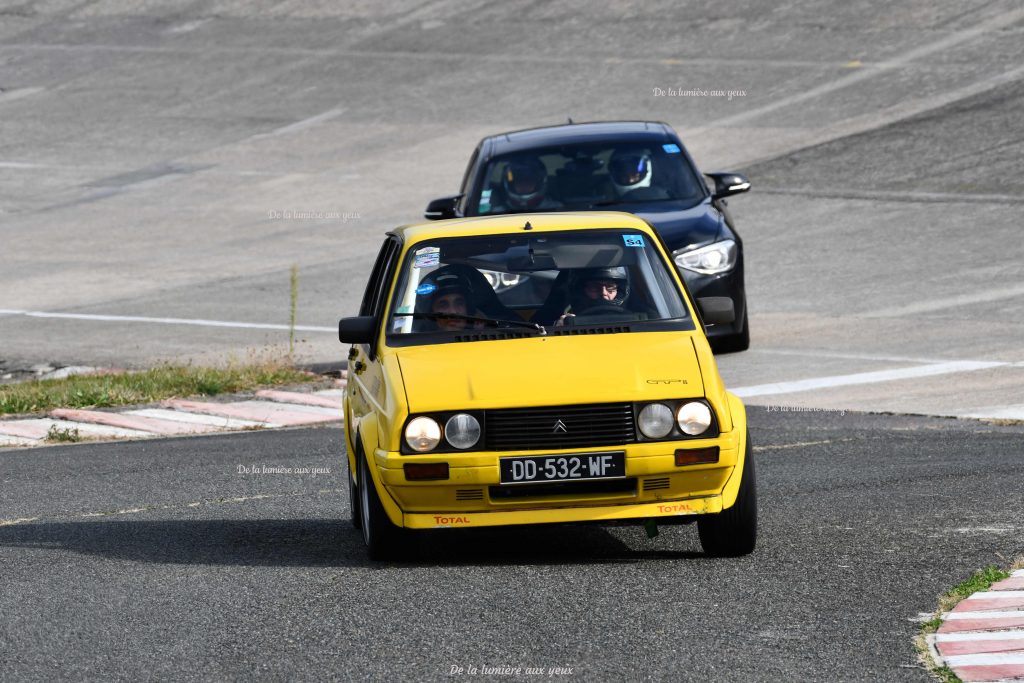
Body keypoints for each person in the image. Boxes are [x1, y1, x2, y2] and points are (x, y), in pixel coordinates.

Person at [556, 267, 631, 326]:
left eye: (610, 287)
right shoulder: (569, 319)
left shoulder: (635, 320)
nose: (603, 293)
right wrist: (561, 330)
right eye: (594, 287)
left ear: (619, 291)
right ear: (581, 290)